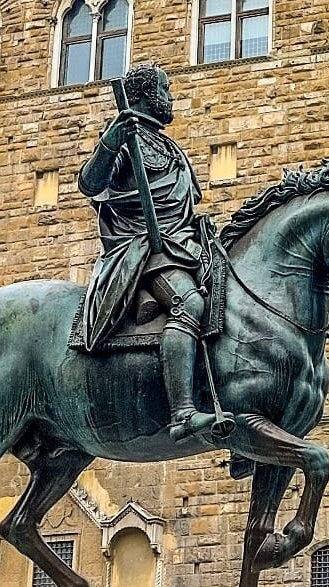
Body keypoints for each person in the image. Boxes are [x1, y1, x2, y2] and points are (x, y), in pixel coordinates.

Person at [78, 62, 229, 444]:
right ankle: (182, 411)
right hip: (144, 248)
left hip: (181, 242)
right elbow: (90, 183)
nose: (170, 97)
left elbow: (181, 203)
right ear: (147, 95)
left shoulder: (166, 144)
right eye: (165, 89)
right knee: (190, 305)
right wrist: (110, 141)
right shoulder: (126, 137)